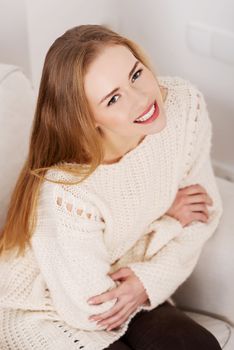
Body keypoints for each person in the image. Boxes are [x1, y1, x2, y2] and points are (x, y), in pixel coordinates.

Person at [0, 24, 223, 350]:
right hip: (48, 304)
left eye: (135, 74)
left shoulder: (183, 106)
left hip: (123, 282)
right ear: (87, 118)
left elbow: (204, 211)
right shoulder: (68, 190)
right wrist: (168, 219)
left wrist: (148, 282)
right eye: (114, 98)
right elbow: (92, 307)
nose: (143, 98)